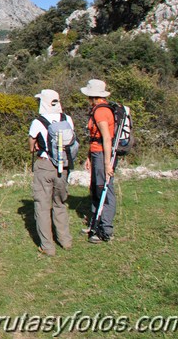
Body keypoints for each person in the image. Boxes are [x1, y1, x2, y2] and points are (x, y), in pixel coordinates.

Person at [28, 89, 73, 256]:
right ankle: (65, 240)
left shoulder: (38, 122)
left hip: (45, 165)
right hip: (63, 166)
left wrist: (38, 145)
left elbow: (31, 146)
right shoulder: (67, 119)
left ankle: (47, 246)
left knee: (42, 206)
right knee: (60, 203)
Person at [80, 79, 116, 243]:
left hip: (102, 155)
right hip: (96, 154)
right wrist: (89, 156)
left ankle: (105, 230)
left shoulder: (100, 112)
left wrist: (107, 163)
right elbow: (95, 138)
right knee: (95, 189)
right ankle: (94, 223)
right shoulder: (97, 109)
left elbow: (106, 138)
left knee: (105, 191)